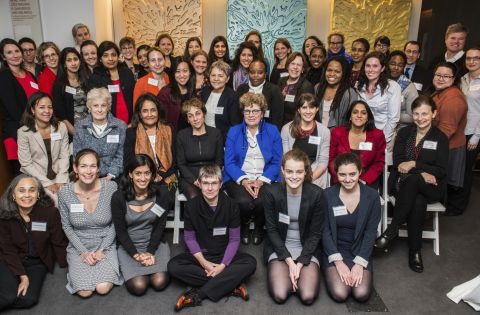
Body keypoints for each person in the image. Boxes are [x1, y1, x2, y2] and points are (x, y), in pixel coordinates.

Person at [168, 165, 257, 311]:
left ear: (221, 184)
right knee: (173, 267)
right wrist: (204, 263)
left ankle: (199, 294)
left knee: (251, 263)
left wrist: (222, 266)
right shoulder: (191, 206)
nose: (210, 188)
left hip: (224, 255)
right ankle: (231, 284)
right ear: (199, 184)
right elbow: (189, 238)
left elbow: (235, 239)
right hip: (201, 256)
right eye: (206, 183)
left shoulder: (232, 205)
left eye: (214, 183)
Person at [375, 95, 449, 272]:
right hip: (404, 184)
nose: (420, 118)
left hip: (432, 187)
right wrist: (423, 171)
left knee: (415, 181)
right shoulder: (404, 133)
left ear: (434, 114)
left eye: (425, 114)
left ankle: (391, 231)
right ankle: (415, 252)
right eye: (416, 114)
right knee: (417, 201)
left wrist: (415, 165)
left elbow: (440, 171)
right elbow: (399, 162)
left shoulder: (440, 138)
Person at [264, 149, 326, 305]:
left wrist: (300, 263)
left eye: (299, 172)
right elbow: (271, 230)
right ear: (282, 171)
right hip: (280, 247)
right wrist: (290, 262)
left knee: (307, 296)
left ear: (305, 172)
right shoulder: (271, 193)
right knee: (280, 295)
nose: (294, 176)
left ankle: (298, 273)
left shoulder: (317, 194)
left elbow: (315, 234)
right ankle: (288, 272)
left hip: (307, 247)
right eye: (289, 171)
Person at [58, 149, 123, 297]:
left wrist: (102, 249)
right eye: (83, 166)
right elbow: (67, 226)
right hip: (79, 245)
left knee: (102, 288)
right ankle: (75, 270)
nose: (88, 171)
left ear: (98, 169)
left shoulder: (111, 188)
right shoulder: (64, 193)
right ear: (75, 168)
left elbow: (115, 223)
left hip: (105, 242)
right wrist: (83, 252)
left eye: (93, 166)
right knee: (84, 292)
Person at [0, 174, 67, 311]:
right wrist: (22, 276)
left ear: (38, 194)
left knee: (28, 299)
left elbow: (58, 242)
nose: (27, 195)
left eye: (32, 190)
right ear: (13, 194)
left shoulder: (50, 213)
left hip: (36, 264)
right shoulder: (4, 214)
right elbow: (7, 250)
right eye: (21, 190)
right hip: (9, 259)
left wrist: (69, 266)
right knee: (8, 296)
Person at [224, 92, 283, 245]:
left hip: (265, 176)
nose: (251, 115)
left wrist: (261, 180)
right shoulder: (234, 131)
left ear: (262, 113)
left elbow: (277, 161)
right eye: (247, 111)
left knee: (261, 201)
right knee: (242, 201)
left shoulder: (272, 131)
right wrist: (243, 179)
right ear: (243, 113)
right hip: (239, 177)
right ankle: (243, 225)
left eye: (255, 111)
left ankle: (258, 227)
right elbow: (229, 162)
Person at [323, 153, 380, 302]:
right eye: (342, 174)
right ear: (336, 173)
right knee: (340, 293)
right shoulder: (327, 195)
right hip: (334, 249)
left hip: (360, 250)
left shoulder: (372, 196)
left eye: (352, 174)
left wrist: (360, 263)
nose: (347, 179)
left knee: (361, 294)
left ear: (360, 171)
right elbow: (324, 231)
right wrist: (338, 262)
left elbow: (370, 232)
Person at [111, 154, 170, 296]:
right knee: (139, 286)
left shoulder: (162, 193)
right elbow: (121, 232)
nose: (143, 178)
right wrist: (136, 255)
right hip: (129, 245)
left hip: (154, 243)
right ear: (130, 174)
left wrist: (150, 252)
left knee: (160, 282)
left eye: (147, 173)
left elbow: (160, 227)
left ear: (152, 174)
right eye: (138, 173)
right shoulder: (118, 197)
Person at [124, 93, 177, 210]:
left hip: (169, 176)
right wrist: (150, 176)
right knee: (141, 195)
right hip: (141, 177)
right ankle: (146, 225)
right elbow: (128, 161)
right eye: (145, 111)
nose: (149, 114)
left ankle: (156, 227)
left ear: (158, 111)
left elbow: (176, 161)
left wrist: (162, 176)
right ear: (139, 114)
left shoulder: (169, 130)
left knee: (166, 196)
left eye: (153, 110)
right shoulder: (131, 133)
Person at [17, 92, 69, 204]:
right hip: (36, 178)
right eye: (41, 107)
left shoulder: (61, 127)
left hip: (59, 175)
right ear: (32, 110)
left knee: (69, 199)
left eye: (50, 107)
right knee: (55, 202)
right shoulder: (24, 132)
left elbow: (64, 156)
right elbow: (26, 164)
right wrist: (47, 183)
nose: (47, 111)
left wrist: (61, 179)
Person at [431, 62, 468, 215]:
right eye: (438, 75)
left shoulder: (453, 98)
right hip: (441, 144)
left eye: (446, 76)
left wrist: (425, 145)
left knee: (442, 182)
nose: (441, 79)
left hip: (448, 147)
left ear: (454, 79)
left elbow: (446, 130)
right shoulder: (441, 92)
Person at [448, 47, 480, 215]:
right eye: (469, 58)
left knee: (466, 170)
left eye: (476, 58)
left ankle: (459, 206)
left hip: (473, 132)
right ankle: (449, 202)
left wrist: (476, 137)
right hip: (459, 130)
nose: (472, 61)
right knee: (455, 167)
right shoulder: (462, 79)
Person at [0, 38, 39, 173]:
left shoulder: (29, 74)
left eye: (17, 51)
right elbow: (13, 109)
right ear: (3, 57)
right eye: (9, 53)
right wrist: (33, 127)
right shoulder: (4, 77)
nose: (15, 55)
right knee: (22, 178)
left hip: (36, 129)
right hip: (17, 132)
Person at [329, 101, 386, 188]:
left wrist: (363, 180)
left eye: (363, 113)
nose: (359, 115)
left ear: (367, 117)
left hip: (366, 181)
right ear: (350, 116)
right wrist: (342, 177)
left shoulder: (377, 135)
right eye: (355, 112)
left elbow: (379, 162)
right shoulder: (337, 132)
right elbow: (331, 160)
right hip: (341, 179)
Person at [73, 87, 127, 181]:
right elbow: (78, 156)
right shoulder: (80, 127)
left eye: (103, 105)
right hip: (87, 176)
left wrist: (110, 176)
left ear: (108, 107)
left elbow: (120, 156)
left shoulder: (120, 126)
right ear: (89, 107)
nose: (99, 110)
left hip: (113, 177)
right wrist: (89, 175)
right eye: (95, 105)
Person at [176, 98, 223, 200]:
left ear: (204, 114)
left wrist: (208, 179)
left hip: (211, 176)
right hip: (189, 178)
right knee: (195, 197)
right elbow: (181, 164)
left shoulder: (216, 134)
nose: (195, 118)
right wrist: (195, 180)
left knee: (214, 196)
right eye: (190, 116)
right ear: (187, 120)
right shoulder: (181, 135)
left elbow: (219, 162)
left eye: (198, 113)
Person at [281, 93, 330, 188]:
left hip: (315, 175)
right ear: (299, 110)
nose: (308, 111)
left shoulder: (324, 131)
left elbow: (323, 162)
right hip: (292, 174)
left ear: (317, 109)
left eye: (311, 107)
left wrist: (309, 180)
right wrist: (296, 177)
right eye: (304, 107)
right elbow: (285, 158)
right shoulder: (286, 129)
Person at [356, 52, 401, 148]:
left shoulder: (392, 87)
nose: (370, 70)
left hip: (383, 138)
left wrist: (381, 139)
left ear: (382, 68)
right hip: (361, 136)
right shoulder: (359, 85)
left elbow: (393, 119)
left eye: (375, 66)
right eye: (368, 66)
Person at [88, 41, 135, 124]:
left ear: (118, 56)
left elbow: (134, 98)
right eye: (105, 55)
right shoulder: (95, 78)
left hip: (131, 123)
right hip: (108, 125)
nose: (110, 59)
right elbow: (95, 105)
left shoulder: (127, 72)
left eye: (113, 55)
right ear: (100, 59)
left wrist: (134, 122)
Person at [236, 60, 284, 130]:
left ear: (265, 74)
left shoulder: (274, 90)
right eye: (252, 72)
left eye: (260, 72)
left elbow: (277, 118)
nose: (256, 75)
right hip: (244, 131)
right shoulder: (241, 89)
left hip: (267, 132)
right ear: (248, 73)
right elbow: (237, 115)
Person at [53, 47, 89, 136]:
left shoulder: (87, 80)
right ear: (64, 64)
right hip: (72, 130)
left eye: (75, 59)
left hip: (90, 126)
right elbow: (61, 115)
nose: (73, 63)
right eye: (69, 60)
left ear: (80, 61)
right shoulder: (59, 85)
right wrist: (75, 134)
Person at [201, 60, 241, 139]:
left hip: (223, 140)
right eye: (213, 75)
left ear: (227, 79)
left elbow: (235, 126)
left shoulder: (233, 97)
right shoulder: (205, 91)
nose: (216, 79)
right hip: (204, 138)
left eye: (220, 76)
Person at [316, 56, 358, 128]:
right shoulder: (318, 88)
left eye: (337, 71)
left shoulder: (350, 94)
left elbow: (351, 122)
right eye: (329, 70)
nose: (332, 74)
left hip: (338, 136)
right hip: (318, 134)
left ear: (343, 74)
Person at [156, 56, 195, 130]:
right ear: (173, 73)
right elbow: (161, 121)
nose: (182, 75)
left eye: (185, 71)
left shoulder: (192, 91)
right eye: (178, 71)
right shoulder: (165, 93)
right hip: (173, 137)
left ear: (190, 72)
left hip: (191, 136)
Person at [278, 52, 314, 125]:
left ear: (302, 69)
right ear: (288, 66)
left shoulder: (306, 87)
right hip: (279, 125)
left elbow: (306, 112)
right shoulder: (281, 81)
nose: (295, 67)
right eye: (293, 64)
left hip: (296, 127)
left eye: (299, 65)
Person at [387, 50, 419, 130]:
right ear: (387, 64)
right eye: (392, 64)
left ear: (404, 67)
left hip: (400, 130)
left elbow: (412, 116)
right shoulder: (380, 82)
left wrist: (387, 113)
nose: (396, 68)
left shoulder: (409, 87)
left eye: (400, 65)